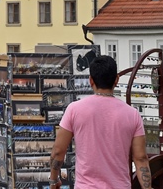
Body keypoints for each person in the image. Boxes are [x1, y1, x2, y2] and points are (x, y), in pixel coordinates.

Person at [49, 55, 149, 189]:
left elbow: (58, 151)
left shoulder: (74, 109)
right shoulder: (132, 114)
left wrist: (54, 180)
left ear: (91, 80)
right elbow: (140, 157)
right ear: (116, 80)